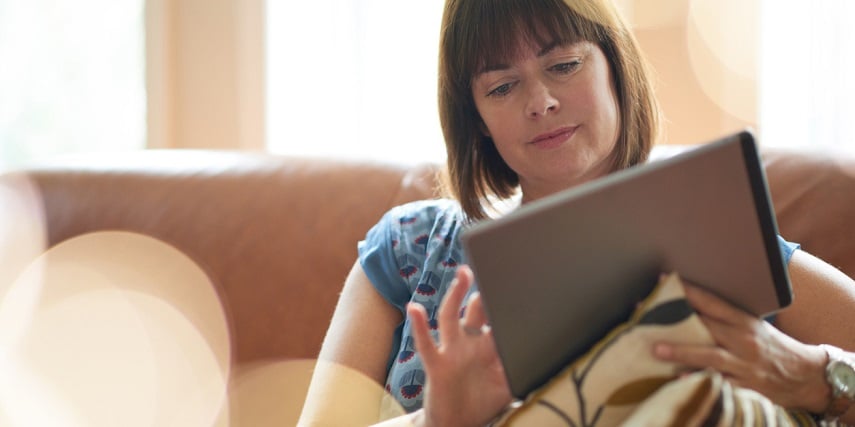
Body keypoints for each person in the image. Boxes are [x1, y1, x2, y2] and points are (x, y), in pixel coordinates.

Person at [298, 0, 855, 425]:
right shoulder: (410, 249)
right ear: (477, 121)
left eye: (563, 64)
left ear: (615, 68)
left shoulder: (718, 233)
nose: (539, 101)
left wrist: (811, 375)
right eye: (503, 86)